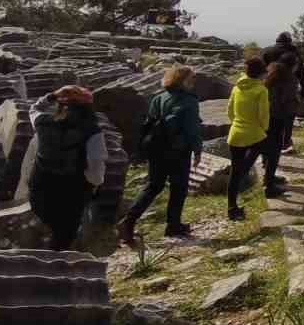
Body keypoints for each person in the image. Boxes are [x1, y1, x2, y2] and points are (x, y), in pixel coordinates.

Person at [119, 66, 203, 244]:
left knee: (153, 186)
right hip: (179, 150)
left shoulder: (158, 98)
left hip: (156, 149)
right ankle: (173, 225)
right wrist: (197, 150)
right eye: (192, 78)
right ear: (182, 80)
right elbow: (192, 129)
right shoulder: (189, 101)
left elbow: (150, 123)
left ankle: (128, 221)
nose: (194, 81)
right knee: (178, 187)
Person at [28, 86, 106, 251]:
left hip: (40, 185)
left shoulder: (42, 122)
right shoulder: (93, 131)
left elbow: (34, 108)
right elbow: (96, 165)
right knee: (65, 234)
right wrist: (94, 185)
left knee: (51, 225)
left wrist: (53, 95)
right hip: (72, 189)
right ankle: (55, 266)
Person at [225, 57, 271, 222]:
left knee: (235, 172)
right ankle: (268, 182)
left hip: (235, 133)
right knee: (270, 151)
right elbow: (263, 115)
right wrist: (263, 129)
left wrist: (236, 123)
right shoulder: (261, 90)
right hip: (254, 134)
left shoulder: (237, 87)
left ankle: (232, 208)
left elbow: (230, 110)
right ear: (261, 73)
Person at [261, 32, 304, 151]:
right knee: (288, 117)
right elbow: (302, 73)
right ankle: (285, 142)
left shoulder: (268, 51)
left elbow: (261, 71)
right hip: (289, 87)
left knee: (271, 117)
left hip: (269, 87)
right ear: (289, 41)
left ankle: (267, 145)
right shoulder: (293, 52)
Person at [261, 59, 297, 198]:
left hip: (266, 118)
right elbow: (287, 101)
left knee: (266, 149)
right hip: (278, 118)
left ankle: (268, 177)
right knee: (275, 152)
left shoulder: (268, 81)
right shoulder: (289, 81)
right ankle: (269, 185)